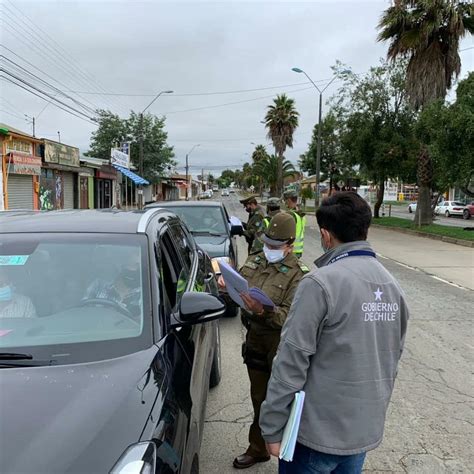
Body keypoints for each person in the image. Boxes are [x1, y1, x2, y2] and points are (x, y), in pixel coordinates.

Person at [260, 192, 409, 474]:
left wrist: (271, 427)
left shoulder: (319, 283)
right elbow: (392, 359)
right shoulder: (392, 285)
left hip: (314, 437)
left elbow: (291, 361)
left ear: (326, 236)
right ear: (364, 229)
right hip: (362, 433)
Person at [220, 212, 309, 469]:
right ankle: (258, 447)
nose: (269, 249)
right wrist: (227, 286)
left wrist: (263, 311)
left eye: (275, 246)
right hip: (255, 338)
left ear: (290, 245)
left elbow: (291, 318)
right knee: (259, 396)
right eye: (267, 243)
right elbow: (242, 289)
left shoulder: (299, 274)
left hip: (280, 343)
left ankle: (292, 449)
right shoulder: (256, 260)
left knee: (283, 399)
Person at [84, 253, 142, 318]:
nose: (137, 270)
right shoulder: (98, 286)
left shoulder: (145, 293)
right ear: (119, 266)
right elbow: (83, 313)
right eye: (134, 265)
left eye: (140, 266)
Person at [283, 190, 306, 258]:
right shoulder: (300, 213)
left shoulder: (290, 215)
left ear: (289, 200)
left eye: (285, 200)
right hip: (299, 250)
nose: (284, 202)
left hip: (290, 250)